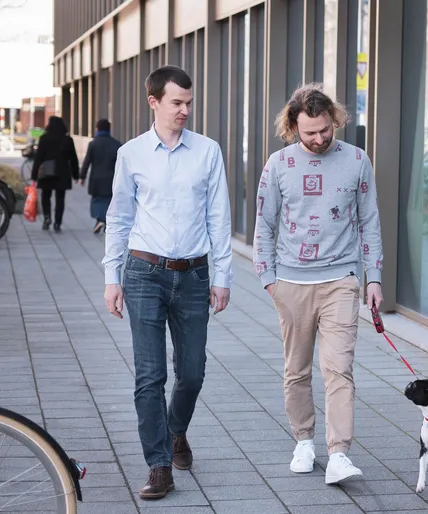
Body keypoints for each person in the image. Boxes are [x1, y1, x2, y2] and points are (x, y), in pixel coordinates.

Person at [101, 65, 233, 500]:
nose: (185, 110)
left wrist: (223, 277)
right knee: (150, 375)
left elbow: (219, 217)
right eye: (177, 102)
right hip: (143, 274)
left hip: (194, 274)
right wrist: (111, 277)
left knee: (192, 373)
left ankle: (177, 430)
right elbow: (118, 218)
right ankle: (159, 465)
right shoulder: (132, 154)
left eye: (189, 102)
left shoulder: (208, 151)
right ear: (153, 101)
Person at [253, 84, 384, 485]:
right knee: (296, 369)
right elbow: (264, 224)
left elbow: (369, 222)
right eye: (310, 132)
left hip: (341, 281)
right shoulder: (277, 165)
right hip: (291, 283)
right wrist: (269, 280)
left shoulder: (357, 160)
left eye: (326, 129)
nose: (320, 138)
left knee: (339, 369)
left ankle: (340, 452)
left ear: (335, 120)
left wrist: (373, 278)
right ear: (293, 127)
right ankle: (304, 441)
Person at [31, 116, 80, 232]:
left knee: (45, 195)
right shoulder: (67, 140)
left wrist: (34, 175)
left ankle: (47, 217)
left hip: (47, 172)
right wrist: (76, 175)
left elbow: (38, 158)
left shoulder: (44, 138)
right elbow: (73, 159)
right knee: (60, 198)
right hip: (62, 172)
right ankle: (58, 222)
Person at [79, 118, 122, 233]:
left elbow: (87, 162)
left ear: (97, 129)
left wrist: (82, 177)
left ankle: (100, 220)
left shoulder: (93, 144)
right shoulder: (116, 144)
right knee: (109, 200)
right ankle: (106, 221)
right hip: (111, 179)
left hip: (96, 179)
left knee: (97, 200)